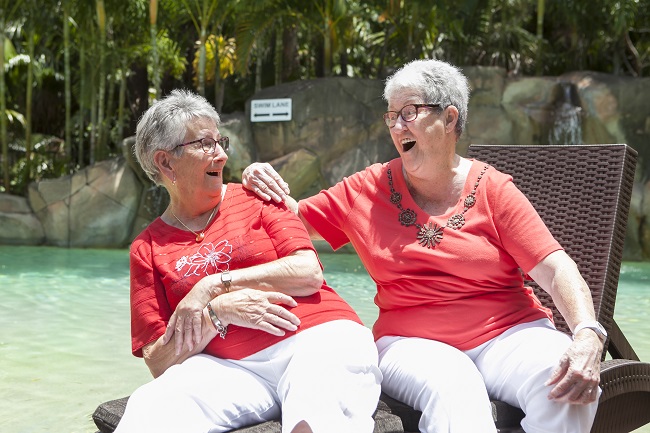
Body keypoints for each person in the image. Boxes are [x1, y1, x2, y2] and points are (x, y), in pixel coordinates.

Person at [241, 59, 604, 433]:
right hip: (410, 343)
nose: (397, 126)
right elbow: (291, 221)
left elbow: (555, 267)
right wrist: (256, 180)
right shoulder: (367, 188)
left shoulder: (493, 188)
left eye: (409, 112)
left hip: (508, 333)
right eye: (392, 115)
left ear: (449, 119)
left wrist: (588, 332)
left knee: (567, 381)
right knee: (455, 389)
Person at [114, 89, 381, 433]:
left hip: (315, 339)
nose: (222, 155)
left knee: (316, 406)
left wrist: (214, 287)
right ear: (165, 162)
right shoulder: (147, 248)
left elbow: (308, 271)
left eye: (220, 141)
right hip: (231, 370)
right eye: (205, 144)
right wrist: (218, 313)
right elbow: (159, 361)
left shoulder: (257, 196)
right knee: (150, 408)